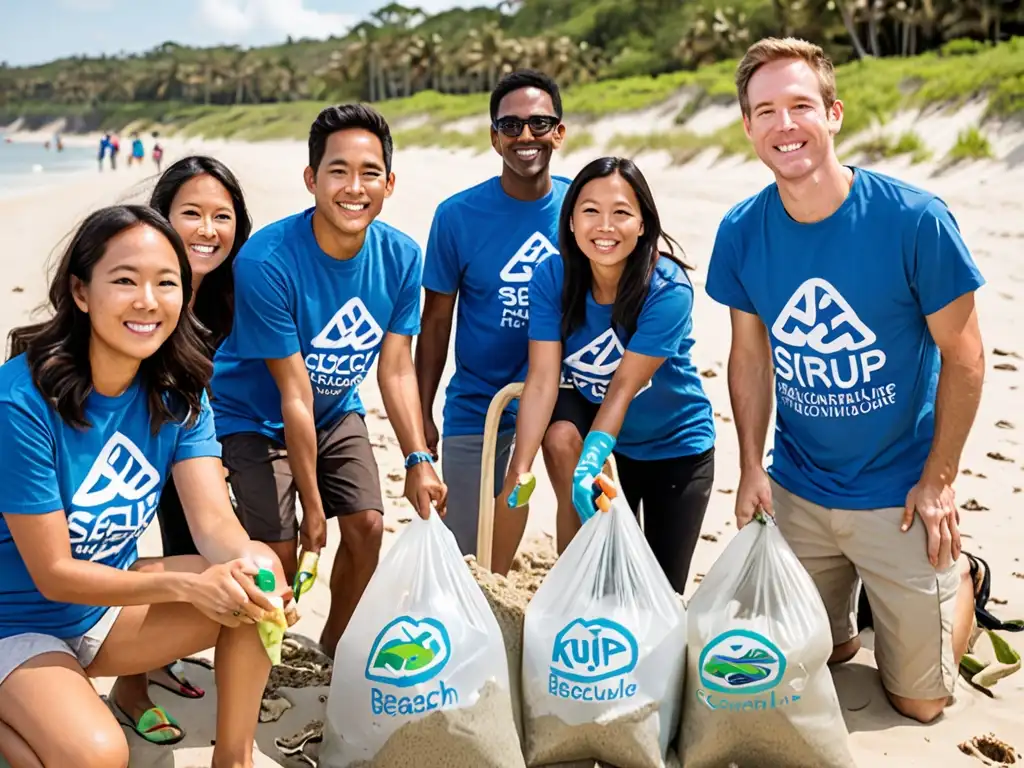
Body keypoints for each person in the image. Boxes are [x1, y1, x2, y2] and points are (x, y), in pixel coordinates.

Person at [705, 37, 986, 724]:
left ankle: (965, 582)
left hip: (897, 492)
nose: (784, 125)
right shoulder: (742, 230)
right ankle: (858, 600)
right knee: (821, 652)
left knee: (920, 703)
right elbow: (749, 356)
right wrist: (751, 468)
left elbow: (967, 357)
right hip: (800, 488)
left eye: (801, 105)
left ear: (833, 113)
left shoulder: (915, 221)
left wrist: (939, 480)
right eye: (765, 110)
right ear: (747, 127)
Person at [0, 205, 293, 768]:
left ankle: (233, 760)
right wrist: (187, 588)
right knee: (99, 756)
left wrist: (253, 570)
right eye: (125, 281)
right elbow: (54, 574)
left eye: (166, 282)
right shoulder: (21, 403)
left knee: (251, 583)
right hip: (15, 621)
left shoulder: (179, 391)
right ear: (81, 292)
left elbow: (213, 524)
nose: (148, 301)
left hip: (100, 612)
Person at [210, 104, 446, 659]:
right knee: (281, 548)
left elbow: (394, 368)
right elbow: (292, 394)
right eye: (338, 171)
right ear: (312, 179)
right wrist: (313, 508)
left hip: (336, 410)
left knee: (366, 524)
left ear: (389, 182)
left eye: (369, 173)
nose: (353, 187)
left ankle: (333, 646)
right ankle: (255, 655)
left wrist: (417, 457)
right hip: (253, 415)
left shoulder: (402, 256)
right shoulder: (266, 260)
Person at [500, 156, 716, 593]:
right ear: (572, 220)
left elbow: (622, 389)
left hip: (673, 447)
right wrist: (520, 467)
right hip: (608, 441)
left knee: (657, 594)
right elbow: (543, 379)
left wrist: (589, 462)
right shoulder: (552, 276)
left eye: (621, 212)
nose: (605, 226)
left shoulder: (667, 290)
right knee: (597, 579)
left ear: (642, 223)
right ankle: (576, 584)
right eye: (591, 211)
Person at [112, 155, 253, 742]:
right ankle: (131, 682)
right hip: (127, 435)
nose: (206, 230)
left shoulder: (225, 294)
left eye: (222, 216)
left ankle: (144, 662)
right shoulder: (139, 292)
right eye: (190, 213)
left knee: (202, 546)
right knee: (118, 542)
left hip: (187, 434)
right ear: (161, 217)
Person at [416, 69, 570, 572]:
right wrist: (421, 414)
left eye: (540, 124)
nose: (526, 136)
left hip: (571, 393)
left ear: (559, 132)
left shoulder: (584, 207)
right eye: (512, 125)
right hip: (480, 399)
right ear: (494, 137)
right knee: (469, 557)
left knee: (588, 532)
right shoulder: (457, 216)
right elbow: (436, 322)